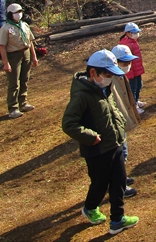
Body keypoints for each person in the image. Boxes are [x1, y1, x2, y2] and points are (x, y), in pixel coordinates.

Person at [61, 49, 139, 235]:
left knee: (119, 181)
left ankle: (117, 220)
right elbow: (69, 124)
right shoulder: (82, 95)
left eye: (112, 74)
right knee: (100, 184)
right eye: (106, 74)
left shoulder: (106, 88)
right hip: (97, 150)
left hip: (115, 143)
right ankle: (90, 207)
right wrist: (90, 137)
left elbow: (111, 111)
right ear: (93, 73)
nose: (110, 77)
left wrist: (119, 124)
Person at [111, 44, 142, 198]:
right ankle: (119, 185)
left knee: (124, 152)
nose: (128, 66)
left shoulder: (121, 76)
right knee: (118, 155)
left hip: (121, 121)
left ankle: (121, 177)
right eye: (125, 63)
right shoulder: (109, 80)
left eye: (129, 62)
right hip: (113, 125)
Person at [0, 3, 39, 119]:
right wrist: (6, 63)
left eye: (20, 12)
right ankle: (13, 107)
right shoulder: (5, 29)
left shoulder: (24, 25)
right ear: (10, 14)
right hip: (13, 55)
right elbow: (2, 46)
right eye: (16, 13)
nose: (18, 14)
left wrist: (34, 57)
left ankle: (23, 102)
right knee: (14, 83)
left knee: (24, 79)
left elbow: (30, 42)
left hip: (25, 53)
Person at [119, 22, 146, 114]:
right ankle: (133, 106)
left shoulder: (133, 41)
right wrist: (130, 73)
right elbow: (125, 61)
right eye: (134, 32)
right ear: (127, 33)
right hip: (132, 71)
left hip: (137, 69)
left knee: (139, 86)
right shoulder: (126, 45)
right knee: (133, 88)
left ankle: (136, 101)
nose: (136, 34)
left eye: (137, 32)